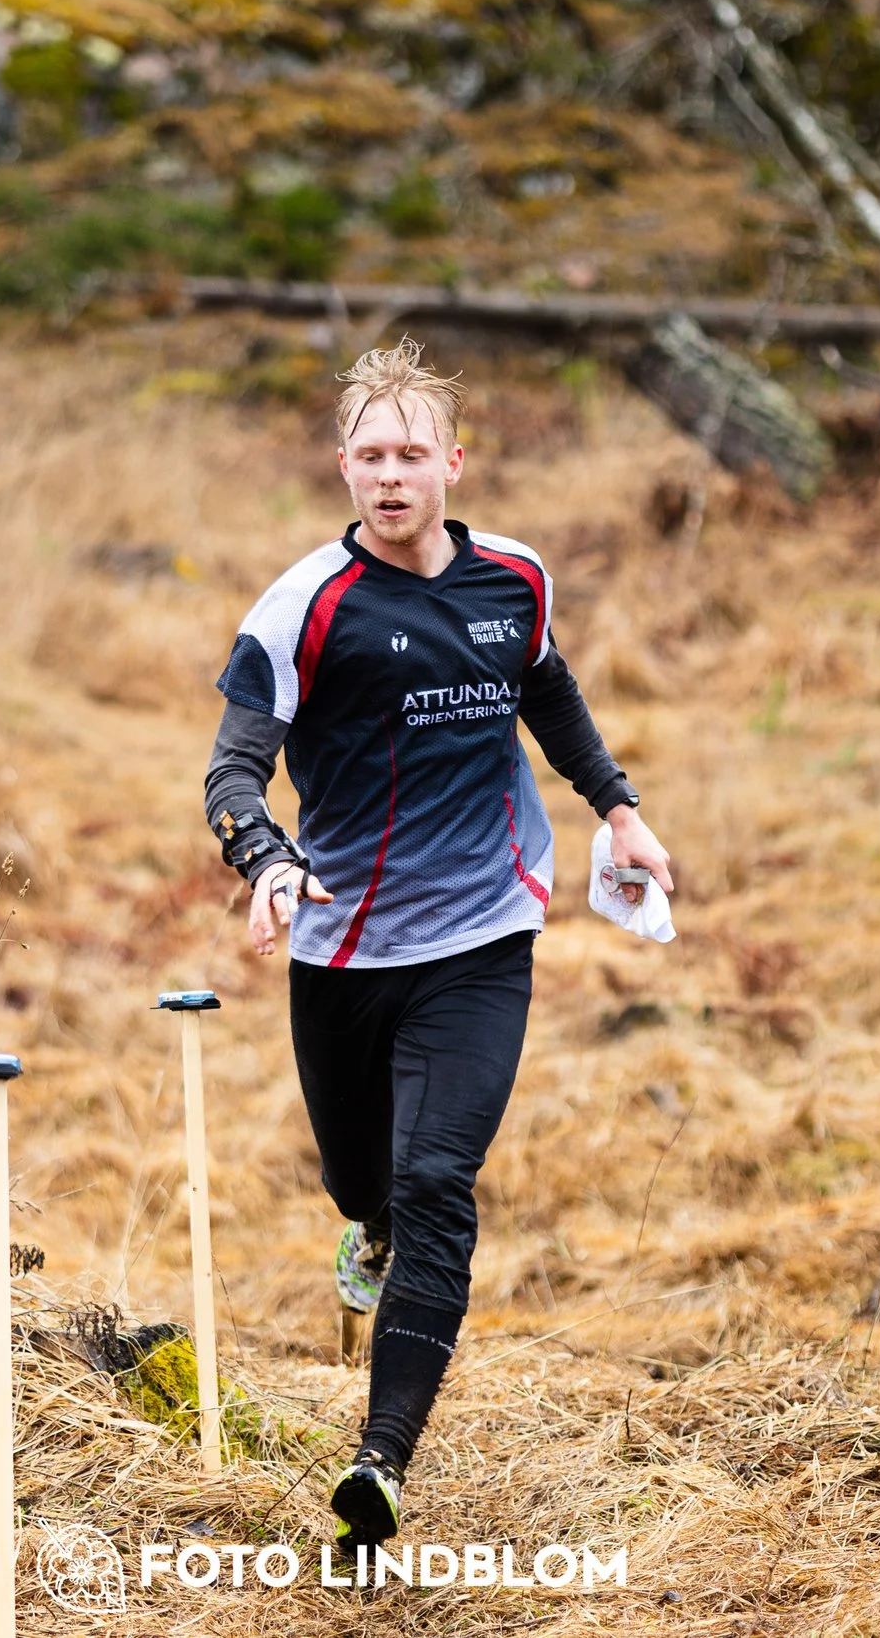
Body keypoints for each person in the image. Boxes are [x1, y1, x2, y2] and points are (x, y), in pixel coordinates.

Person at [201, 339, 674, 1547]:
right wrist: (266, 858)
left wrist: (617, 808)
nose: (391, 475)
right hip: (343, 944)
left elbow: (547, 690)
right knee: (365, 1184)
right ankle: (365, 1225)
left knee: (435, 1184)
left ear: (452, 462)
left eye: (413, 453)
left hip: (484, 930)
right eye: (370, 454)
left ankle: (379, 1462)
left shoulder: (513, 579)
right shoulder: (303, 606)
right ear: (343, 467)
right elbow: (234, 765)